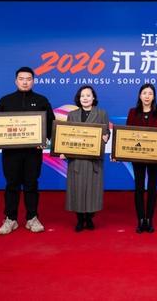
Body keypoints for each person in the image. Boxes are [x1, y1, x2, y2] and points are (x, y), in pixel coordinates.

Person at [0, 66, 54, 235]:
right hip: (11, 153)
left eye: (28, 79)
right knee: (12, 184)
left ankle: (32, 218)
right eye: (21, 79)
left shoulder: (41, 100)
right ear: (16, 81)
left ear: (33, 81)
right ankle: (10, 219)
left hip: (33, 152)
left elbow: (51, 123)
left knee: (31, 184)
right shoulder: (5, 100)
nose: (25, 82)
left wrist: (45, 140)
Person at [64, 85, 110, 232]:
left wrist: (106, 137)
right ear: (79, 98)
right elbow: (66, 134)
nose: (85, 98)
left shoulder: (102, 113)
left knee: (93, 191)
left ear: (93, 97)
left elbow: (106, 132)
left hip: (93, 160)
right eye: (82, 96)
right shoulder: (72, 115)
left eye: (88, 95)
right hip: (76, 159)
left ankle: (90, 218)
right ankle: (79, 219)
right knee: (77, 190)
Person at [125, 83, 157, 233]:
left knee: (152, 188)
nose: (147, 96)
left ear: (154, 96)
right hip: (137, 155)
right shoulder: (132, 112)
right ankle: (140, 219)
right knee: (139, 187)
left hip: (153, 156)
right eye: (144, 93)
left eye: (150, 93)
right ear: (140, 95)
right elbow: (127, 134)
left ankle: (149, 219)